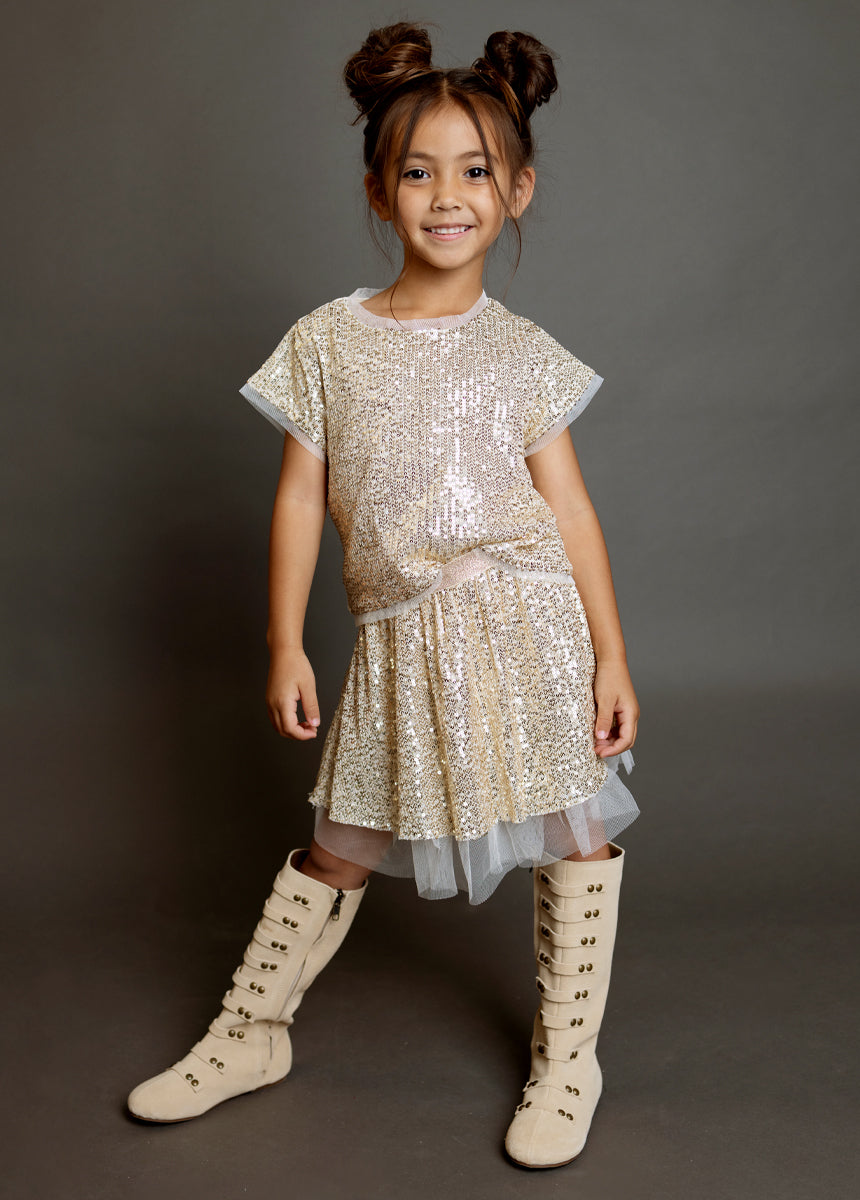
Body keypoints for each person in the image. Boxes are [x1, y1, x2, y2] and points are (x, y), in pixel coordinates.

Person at [128, 22, 641, 1170]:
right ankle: (250, 1034)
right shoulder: (327, 342)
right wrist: (283, 641)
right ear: (376, 188)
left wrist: (610, 655)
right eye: (418, 171)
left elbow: (568, 510)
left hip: (530, 625)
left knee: (572, 834)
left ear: (516, 190)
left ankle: (568, 1057)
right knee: (339, 841)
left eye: (475, 171)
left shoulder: (522, 351)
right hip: (401, 639)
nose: (446, 196)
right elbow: (299, 499)